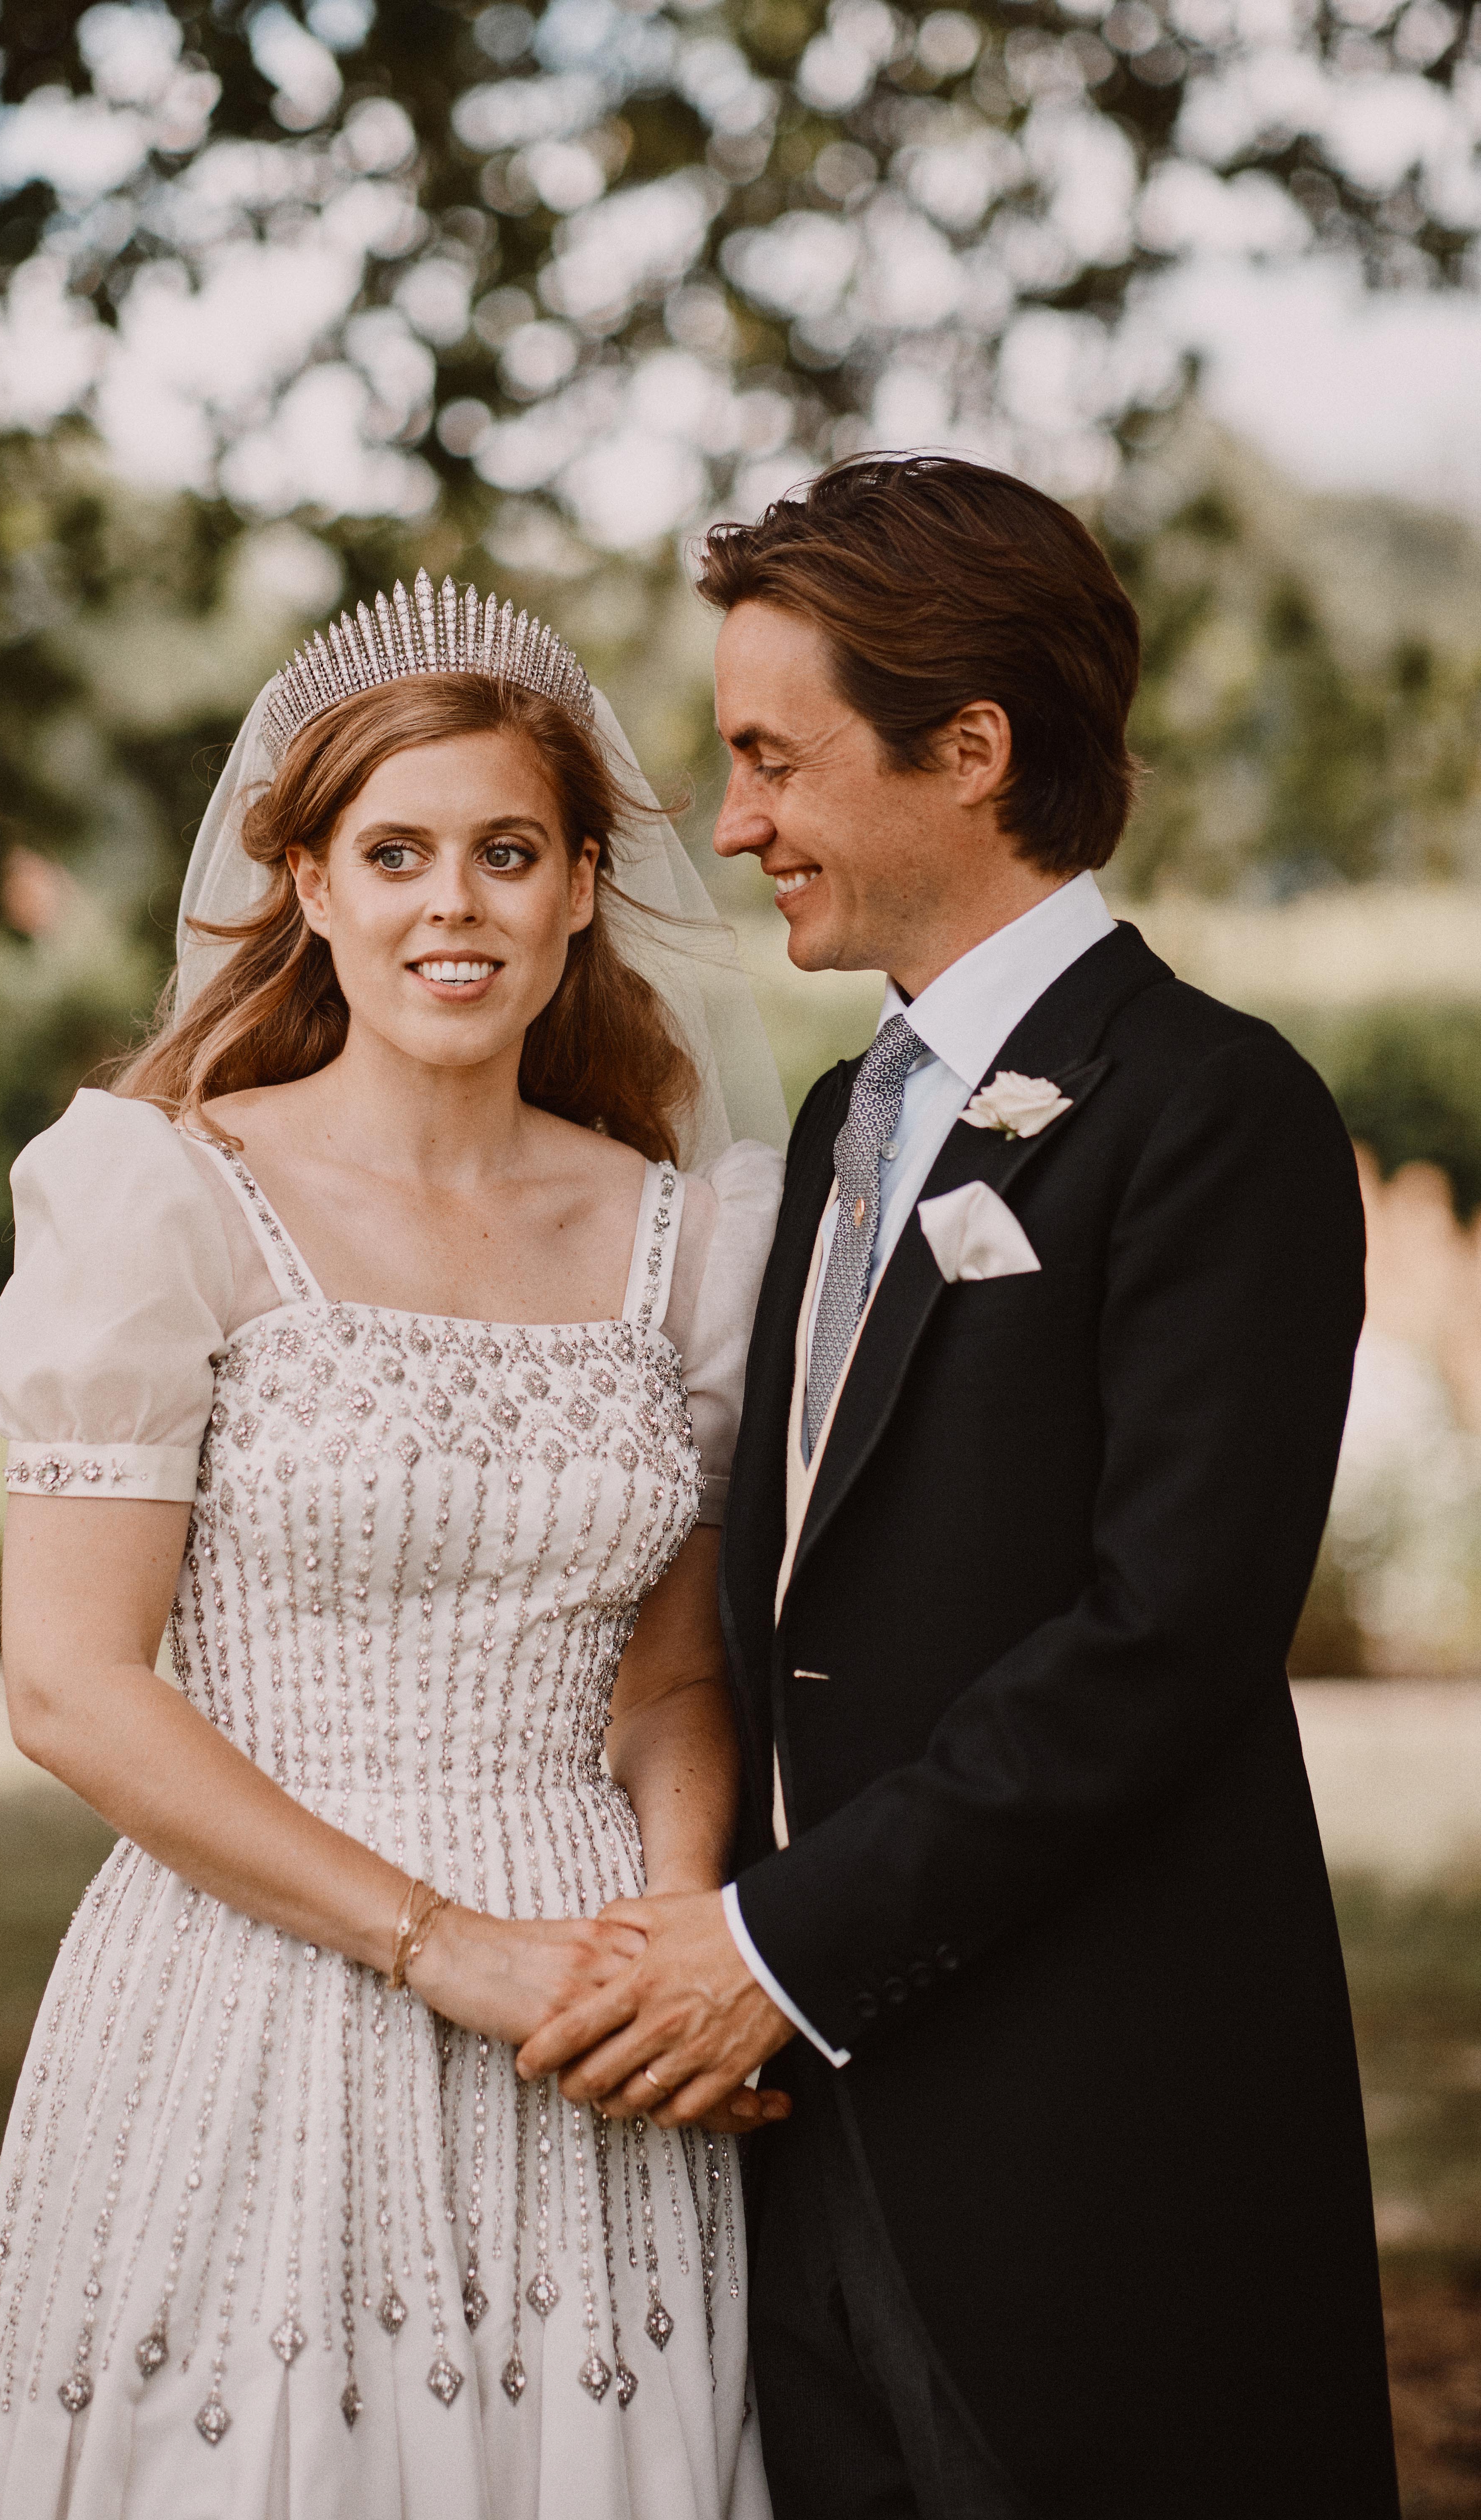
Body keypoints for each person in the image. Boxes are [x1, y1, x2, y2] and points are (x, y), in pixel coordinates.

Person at [517, 459, 1401, 2519]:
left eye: (769, 759)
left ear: (971, 750)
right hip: (811, 2151)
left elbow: (1158, 1644)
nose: (730, 825)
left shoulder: (1212, 1110)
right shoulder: (843, 1117)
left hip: (1095, 2144)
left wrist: (781, 1951)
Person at [0, 575, 790, 2520]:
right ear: (307, 883)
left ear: (585, 882)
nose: (452, 906)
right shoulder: (160, 1195)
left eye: (505, 852)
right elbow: (72, 1690)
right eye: (393, 853)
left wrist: (663, 1937)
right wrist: (446, 1949)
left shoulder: (695, 1239)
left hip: (598, 2031)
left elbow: (669, 1675)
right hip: (255, 1998)